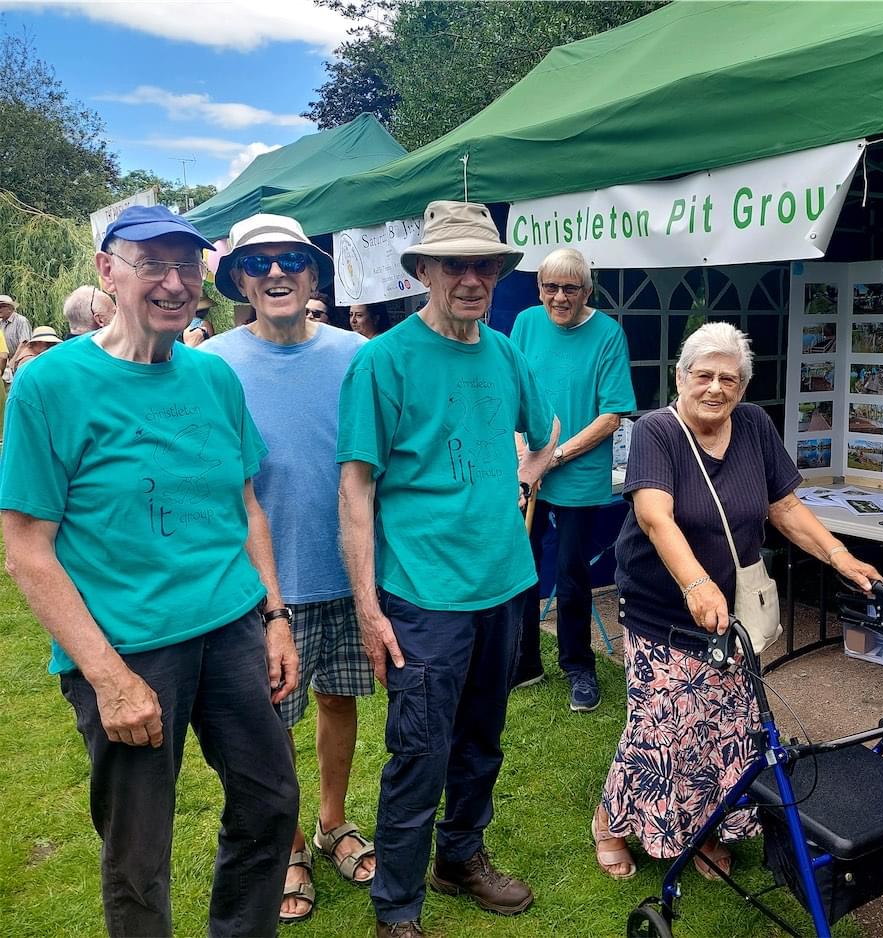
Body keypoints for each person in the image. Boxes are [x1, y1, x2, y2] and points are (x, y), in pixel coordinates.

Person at [0, 203, 300, 937]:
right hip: (127, 647)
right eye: (153, 265)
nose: (174, 283)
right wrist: (108, 678)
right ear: (108, 272)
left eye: (187, 266)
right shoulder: (51, 384)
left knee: (270, 804)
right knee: (138, 856)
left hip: (230, 626)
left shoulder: (213, 378)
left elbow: (247, 507)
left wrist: (275, 616)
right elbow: (27, 548)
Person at [338, 200, 558, 938]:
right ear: (424, 271)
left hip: (504, 581)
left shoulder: (503, 352)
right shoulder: (383, 360)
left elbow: (545, 430)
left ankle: (459, 858)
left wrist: (526, 478)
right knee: (419, 751)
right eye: (455, 264)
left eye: (485, 265)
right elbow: (356, 489)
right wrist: (369, 609)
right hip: (423, 595)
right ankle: (395, 908)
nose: (472, 278)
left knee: (483, 737)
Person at [593, 321, 881, 881]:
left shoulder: (752, 426)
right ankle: (611, 819)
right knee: (661, 730)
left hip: (736, 617)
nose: (716, 388)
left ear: (743, 389)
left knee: (725, 729)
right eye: (704, 375)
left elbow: (785, 507)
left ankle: (703, 833)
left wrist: (840, 556)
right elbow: (655, 515)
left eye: (729, 378)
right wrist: (697, 584)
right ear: (681, 376)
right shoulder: (656, 431)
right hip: (664, 615)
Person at [202, 213, 374, 924]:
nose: (276, 272)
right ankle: (291, 842)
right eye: (258, 262)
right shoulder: (213, 363)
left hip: (346, 570)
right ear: (240, 279)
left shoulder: (357, 353)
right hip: (260, 587)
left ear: (312, 273)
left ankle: (332, 821)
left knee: (340, 701)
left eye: (290, 260)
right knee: (270, 727)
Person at [510, 248, 635, 711]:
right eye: (550, 287)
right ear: (539, 287)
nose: (559, 297)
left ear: (587, 290)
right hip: (528, 468)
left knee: (571, 572)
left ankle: (578, 666)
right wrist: (524, 450)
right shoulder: (525, 323)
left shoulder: (607, 333)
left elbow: (612, 415)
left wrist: (555, 456)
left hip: (577, 471)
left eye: (570, 288)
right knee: (520, 567)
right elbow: (513, 392)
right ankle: (524, 662)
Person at [0, 294, 32, 364]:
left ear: (10, 308)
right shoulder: (1, 322)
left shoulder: (21, 321)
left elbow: (24, 343)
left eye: (1, 307)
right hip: (7, 361)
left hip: (21, 360)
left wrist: (13, 361)